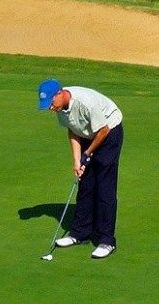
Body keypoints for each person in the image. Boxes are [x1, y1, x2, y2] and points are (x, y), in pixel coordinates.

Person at [37, 79, 123, 259]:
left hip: (108, 132)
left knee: (104, 187)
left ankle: (107, 240)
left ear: (59, 93)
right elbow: (73, 130)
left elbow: (103, 130)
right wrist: (77, 160)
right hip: (87, 133)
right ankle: (79, 233)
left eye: (51, 102)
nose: (50, 108)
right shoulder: (60, 108)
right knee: (85, 184)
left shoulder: (85, 103)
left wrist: (88, 152)